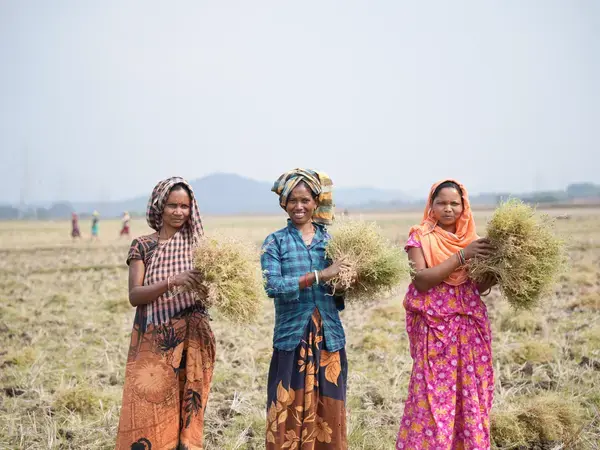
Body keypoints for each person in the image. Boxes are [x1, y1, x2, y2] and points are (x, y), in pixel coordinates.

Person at [395, 180, 498, 450]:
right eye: (441, 202)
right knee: (431, 399)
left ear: (464, 206)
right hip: (434, 329)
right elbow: (421, 281)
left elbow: (476, 286)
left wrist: (496, 271)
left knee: (470, 395)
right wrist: (461, 256)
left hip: (469, 330)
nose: (448, 208)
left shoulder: (474, 241)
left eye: (454, 203)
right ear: (432, 205)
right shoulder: (420, 237)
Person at [115, 177, 215, 450]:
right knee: (150, 409)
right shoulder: (143, 246)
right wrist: (174, 281)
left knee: (188, 411)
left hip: (193, 341)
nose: (179, 212)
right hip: (155, 340)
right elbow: (135, 295)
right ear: (160, 206)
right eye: (173, 205)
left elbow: (209, 292)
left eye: (185, 206)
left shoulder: (199, 247)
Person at [261, 168, 351, 449]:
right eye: (292, 201)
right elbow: (273, 286)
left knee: (329, 409)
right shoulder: (275, 242)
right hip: (292, 338)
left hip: (328, 338)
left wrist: (348, 281)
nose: (299, 206)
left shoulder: (331, 242)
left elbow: (339, 298)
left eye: (305, 200)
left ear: (316, 202)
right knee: (287, 406)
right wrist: (319, 275)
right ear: (284, 204)